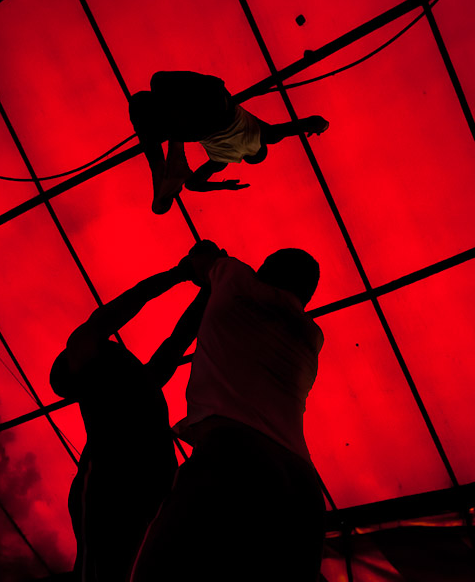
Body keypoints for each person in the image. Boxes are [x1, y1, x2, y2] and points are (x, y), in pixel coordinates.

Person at [130, 241, 327, 582]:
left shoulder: (234, 277)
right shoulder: (312, 334)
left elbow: (203, 260)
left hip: (236, 456)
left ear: (263, 271)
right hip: (304, 489)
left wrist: (194, 261)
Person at [49, 256, 209, 582]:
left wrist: (202, 288)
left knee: (134, 567)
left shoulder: (136, 382)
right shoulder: (114, 372)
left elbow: (174, 342)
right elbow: (133, 307)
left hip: (147, 481)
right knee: (110, 569)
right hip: (116, 483)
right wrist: (185, 275)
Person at [129, 70, 329, 214]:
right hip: (192, 128)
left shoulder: (264, 136)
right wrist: (222, 187)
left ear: (259, 151)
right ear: (246, 159)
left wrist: (320, 127)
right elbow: (193, 184)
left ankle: (163, 161)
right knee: (140, 104)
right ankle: (159, 163)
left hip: (217, 103)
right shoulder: (222, 160)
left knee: (158, 81)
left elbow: (305, 124)